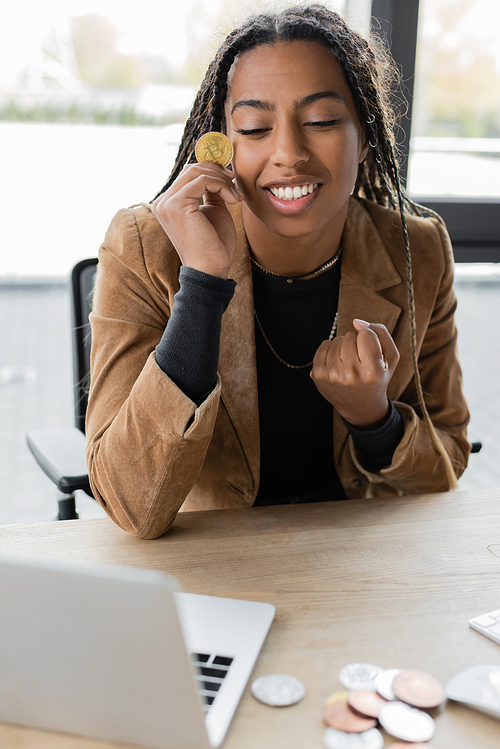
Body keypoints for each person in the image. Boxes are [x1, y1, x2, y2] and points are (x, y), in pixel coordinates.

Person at [86, 4, 470, 539]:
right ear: (221, 142)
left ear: (365, 135)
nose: (288, 152)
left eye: (321, 121)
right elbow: (130, 505)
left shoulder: (419, 250)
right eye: (255, 127)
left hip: (361, 561)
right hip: (211, 568)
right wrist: (202, 286)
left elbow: (447, 462)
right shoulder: (145, 246)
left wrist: (374, 420)